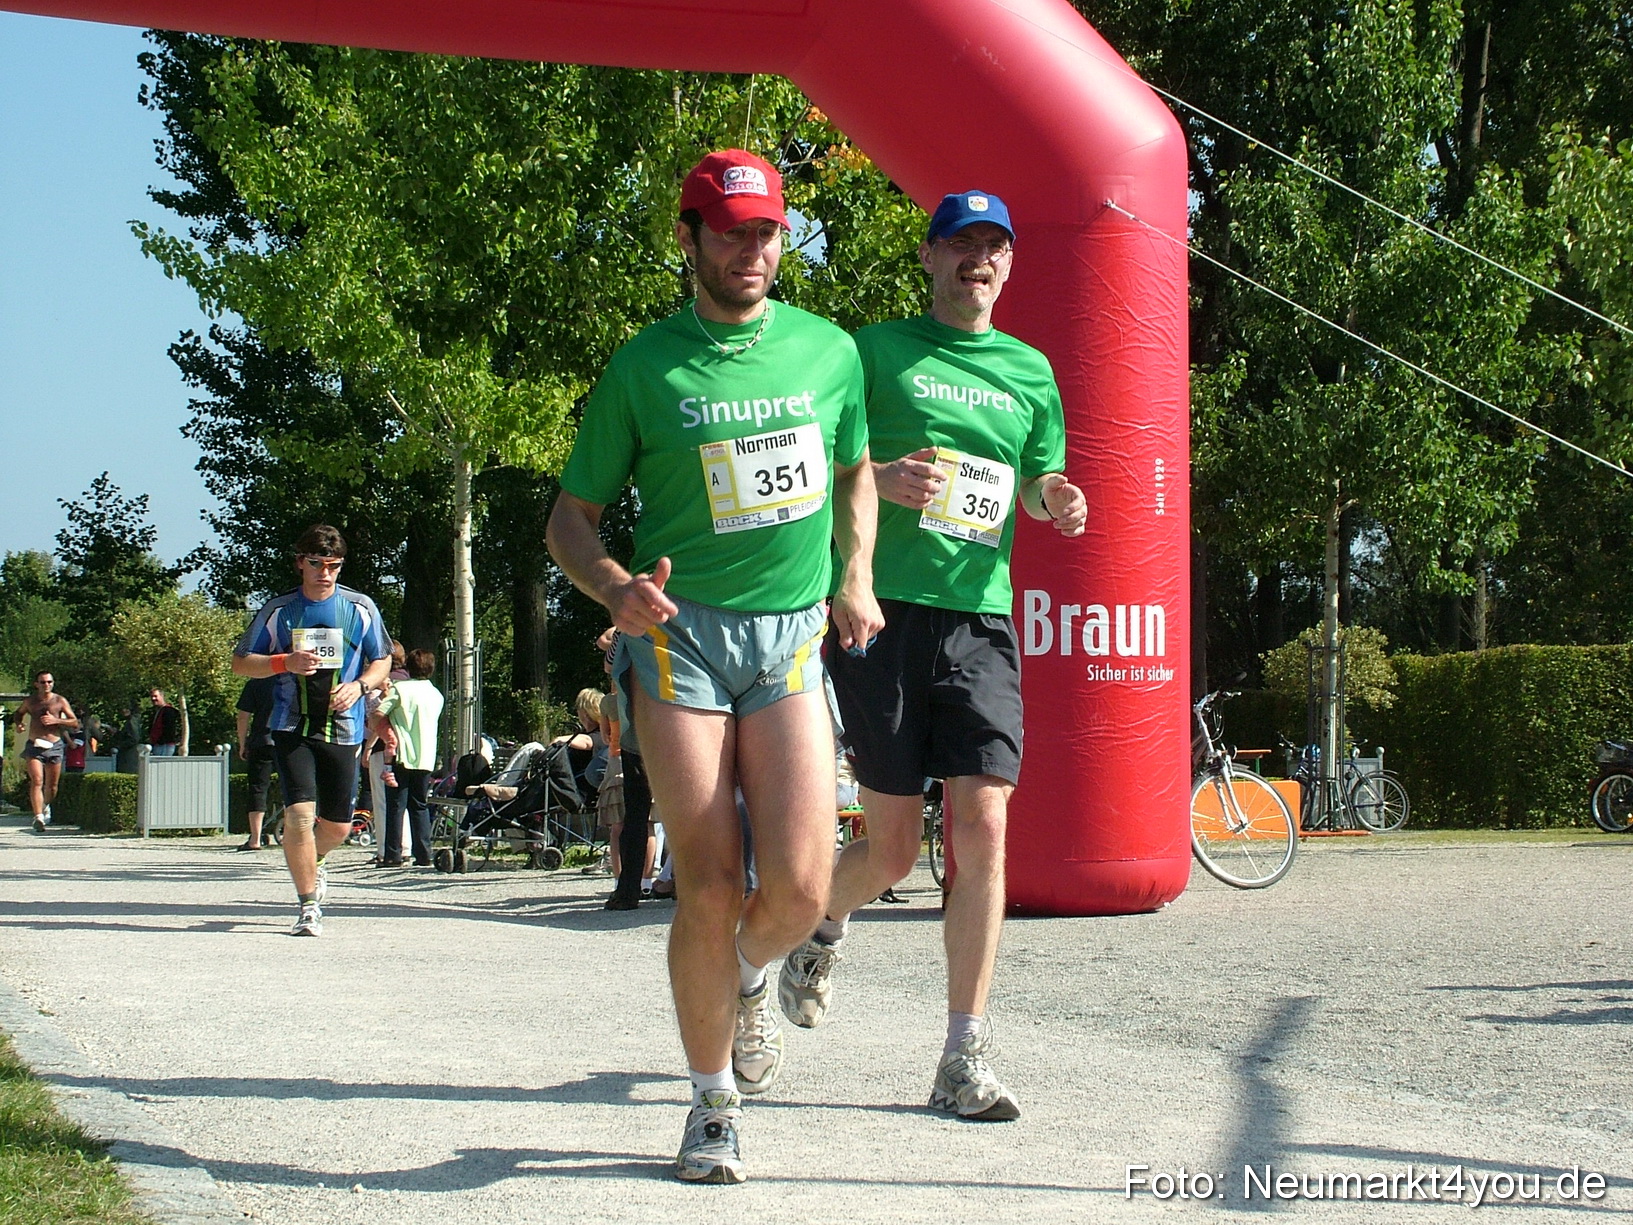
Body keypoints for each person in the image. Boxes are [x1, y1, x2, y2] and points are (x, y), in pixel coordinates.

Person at [546, 148, 882, 1185]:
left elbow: (857, 467)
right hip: (678, 637)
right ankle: (710, 1106)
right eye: (731, 230)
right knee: (703, 883)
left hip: (786, 638)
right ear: (687, 237)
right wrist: (613, 590)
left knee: (798, 884)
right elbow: (569, 519)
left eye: (767, 231)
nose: (752, 248)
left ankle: (743, 976)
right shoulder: (647, 365)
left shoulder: (828, 352)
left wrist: (855, 572)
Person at [778, 190, 1087, 1122]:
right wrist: (877, 477)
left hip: (979, 617)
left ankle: (963, 1053)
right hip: (882, 613)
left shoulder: (1029, 371)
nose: (977, 261)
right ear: (928, 257)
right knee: (893, 844)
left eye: (994, 247)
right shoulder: (872, 353)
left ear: (1008, 266)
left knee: (983, 818)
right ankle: (817, 927)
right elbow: (818, 459)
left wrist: (1056, 497)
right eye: (961, 244)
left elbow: (1035, 480)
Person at [231, 524, 392, 936]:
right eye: (317, 564)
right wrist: (283, 662)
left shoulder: (361, 607)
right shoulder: (279, 609)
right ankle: (307, 906)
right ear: (300, 562)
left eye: (334, 566)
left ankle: (314, 860)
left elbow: (383, 661)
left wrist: (359, 687)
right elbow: (241, 662)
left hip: (343, 726)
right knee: (299, 817)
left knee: (337, 826)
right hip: (291, 724)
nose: (325, 573)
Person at [372, 648, 444, 867]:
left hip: (401, 754)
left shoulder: (399, 690)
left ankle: (393, 855)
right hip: (426, 755)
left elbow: (377, 713)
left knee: (396, 805)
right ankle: (424, 854)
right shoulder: (436, 694)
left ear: (408, 667)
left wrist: (384, 732)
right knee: (419, 805)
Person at [14, 670, 79, 832]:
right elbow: (18, 713)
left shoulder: (59, 701)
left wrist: (56, 720)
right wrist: (19, 724)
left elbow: (75, 722)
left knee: (52, 787)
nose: (46, 685)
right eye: (43, 682)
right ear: (36, 684)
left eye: (49, 682)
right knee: (37, 780)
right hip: (34, 745)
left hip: (54, 745)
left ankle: (45, 806)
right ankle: (38, 817)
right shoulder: (30, 701)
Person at [235, 675, 278, 851]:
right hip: (289, 740)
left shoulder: (255, 683)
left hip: (261, 740)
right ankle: (296, 835)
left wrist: (242, 743)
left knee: (257, 788)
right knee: (293, 788)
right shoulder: (291, 680)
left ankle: (255, 837)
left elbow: (243, 716)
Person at [146, 688, 181, 756]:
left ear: (161, 696)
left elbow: (169, 728)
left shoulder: (168, 711)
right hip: (158, 744)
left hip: (165, 745)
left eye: (156, 696)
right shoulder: (158, 711)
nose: (153, 698)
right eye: (152, 696)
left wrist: (161, 740)